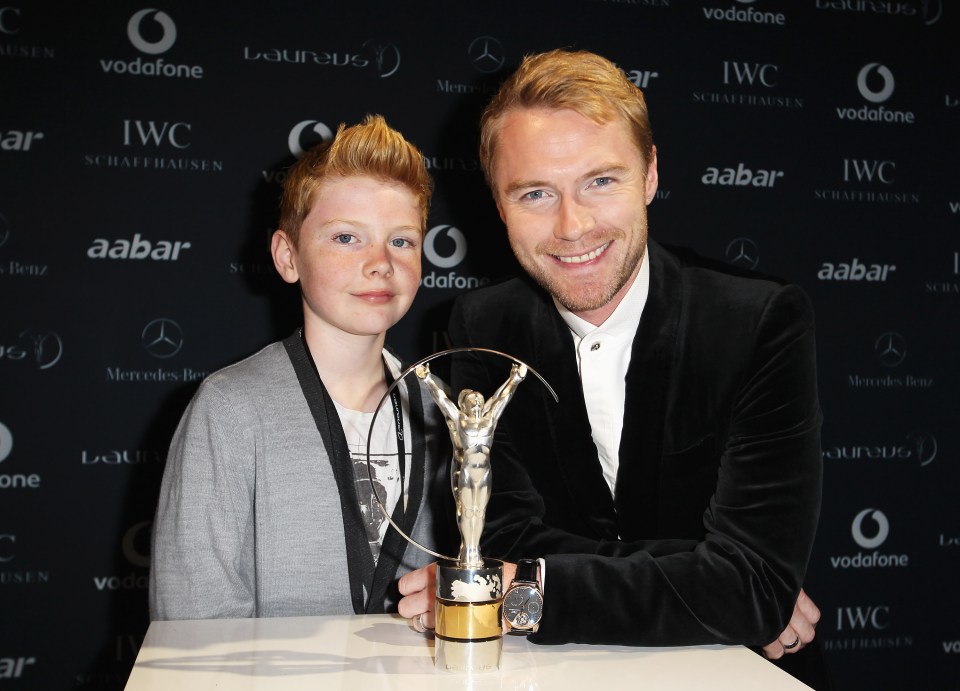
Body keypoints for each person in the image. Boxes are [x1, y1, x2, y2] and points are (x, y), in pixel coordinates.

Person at [398, 49, 829, 687]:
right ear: (498, 204)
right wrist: (715, 583)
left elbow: (753, 587)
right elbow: (504, 538)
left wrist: (531, 592)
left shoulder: (757, 321)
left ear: (651, 175)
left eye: (601, 181)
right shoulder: (481, 329)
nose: (572, 227)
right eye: (536, 193)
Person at [149, 114, 454, 620]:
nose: (380, 261)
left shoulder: (442, 409)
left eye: (401, 240)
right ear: (287, 257)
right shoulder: (230, 408)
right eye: (345, 238)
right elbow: (191, 620)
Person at [416, 362, 526, 567]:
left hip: (484, 472)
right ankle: (468, 549)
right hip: (466, 471)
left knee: (480, 511)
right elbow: (442, 400)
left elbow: (502, 398)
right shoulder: (460, 421)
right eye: (472, 402)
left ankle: (476, 548)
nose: (476, 404)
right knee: (467, 510)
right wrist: (427, 378)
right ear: (464, 406)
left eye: (478, 401)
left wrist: (515, 377)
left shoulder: (489, 420)